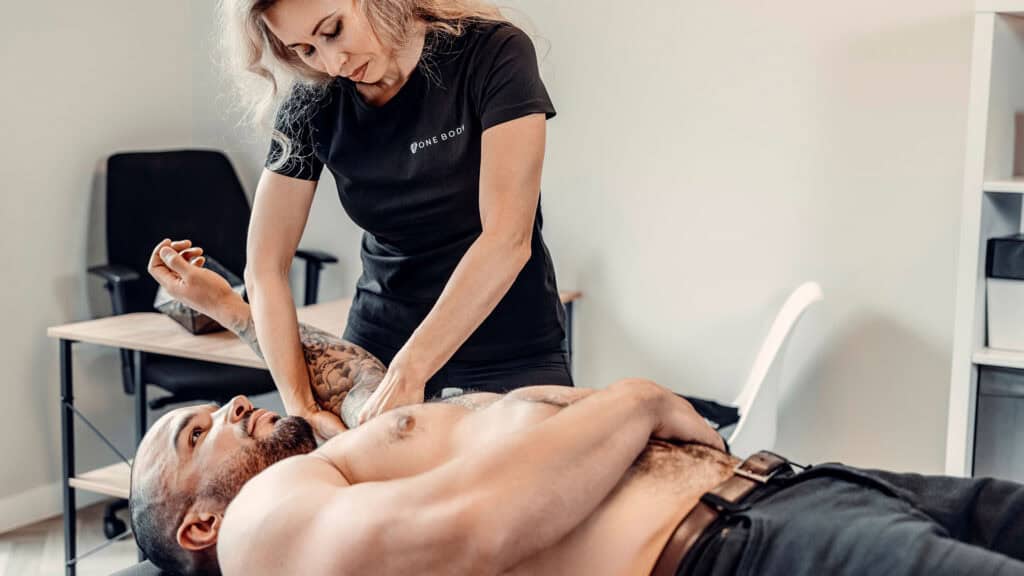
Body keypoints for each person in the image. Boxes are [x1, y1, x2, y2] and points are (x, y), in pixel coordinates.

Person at [132, 242, 1024, 576]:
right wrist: (634, 402)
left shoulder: (343, 456)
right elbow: (472, 526)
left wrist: (233, 311)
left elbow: (343, 377)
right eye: (195, 432)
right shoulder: (264, 529)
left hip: (800, 487)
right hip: (741, 542)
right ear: (201, 528)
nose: (231, 406)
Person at [221, 0, 569, 439]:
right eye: (305, 50)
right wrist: (301, 406)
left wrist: (412, 369)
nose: (332, 63)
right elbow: (265, 267)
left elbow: (506, 239)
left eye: (333, 31)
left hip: (509, 344)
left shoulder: (493, 53)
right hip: (376, 349)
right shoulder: (312, 99)